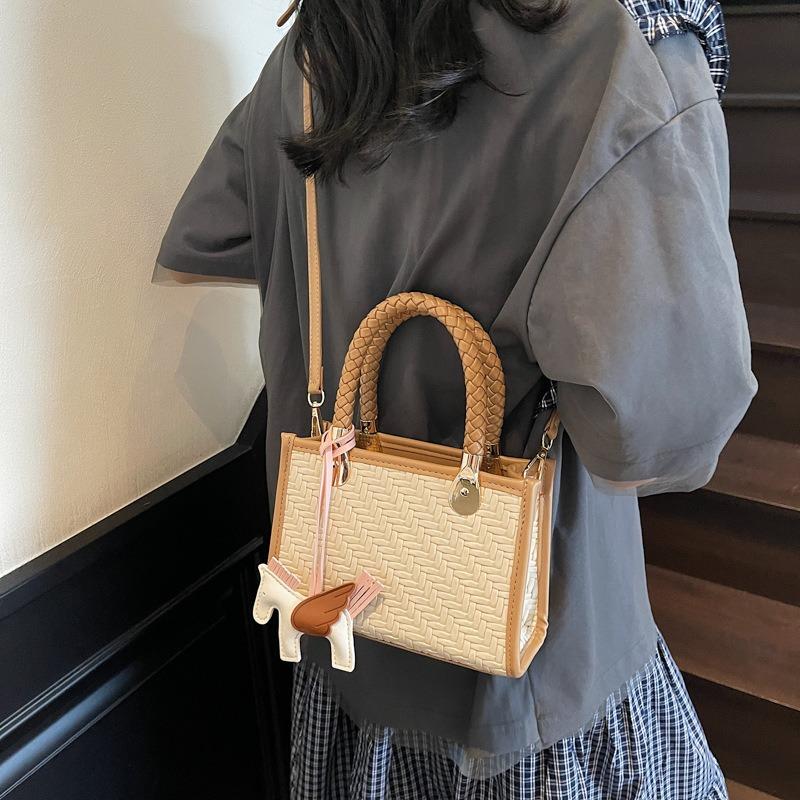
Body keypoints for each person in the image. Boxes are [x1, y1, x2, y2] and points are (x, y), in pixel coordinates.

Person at [154, 0, 757, 796]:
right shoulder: (609, 48)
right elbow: (664, 433)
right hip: (534, 676)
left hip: (350, 647)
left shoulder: (307, 60)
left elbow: (209, 236)